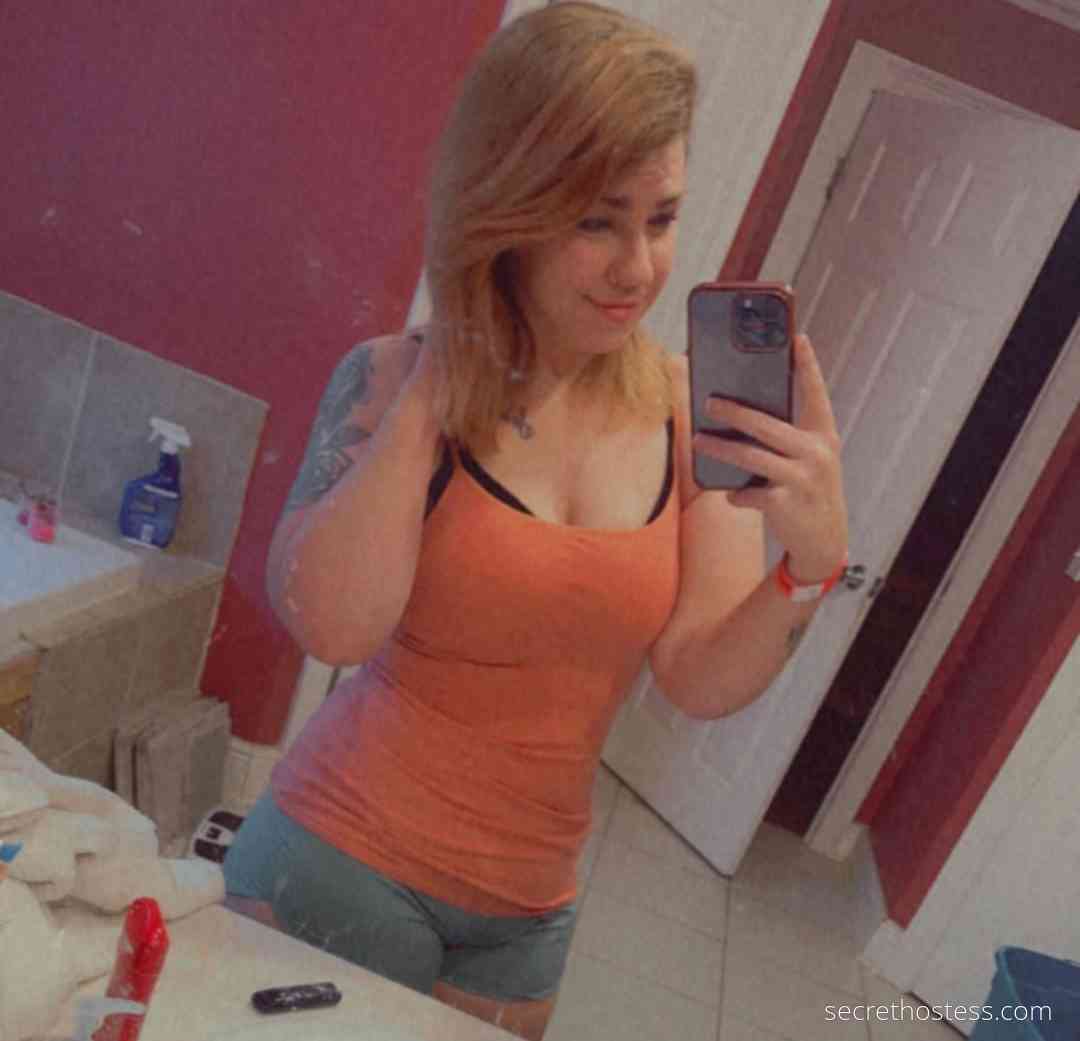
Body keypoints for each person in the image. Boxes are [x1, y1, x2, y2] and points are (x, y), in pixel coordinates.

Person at [222, 3, 848, 1038]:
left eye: (661, 219)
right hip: (342, 852)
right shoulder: (390, 378)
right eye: (597, 221)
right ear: (506, 207)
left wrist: (812, 569)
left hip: (526, 914)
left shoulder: (688, 413)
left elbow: (699, 676)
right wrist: (443, 378)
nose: (638, 269)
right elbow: (333, 626)